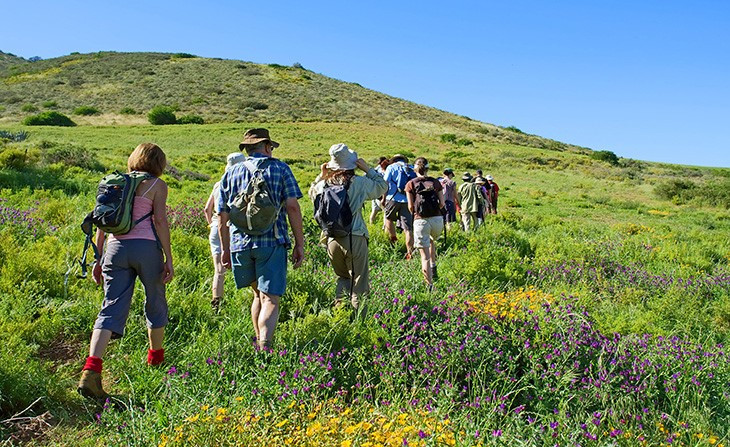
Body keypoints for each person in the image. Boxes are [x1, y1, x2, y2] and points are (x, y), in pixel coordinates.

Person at [78, 143, 174, 400]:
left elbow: (101, 221)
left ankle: (91, 370)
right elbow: (160, 221)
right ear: (159, 163)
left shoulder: (115, 183)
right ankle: (155, 361)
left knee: (111, 306)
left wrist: (98, 258)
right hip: (146, 249)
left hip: (115, 248)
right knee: (155, 300)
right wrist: (169, 257)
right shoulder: (157, 186)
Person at [217, 128, 304, 351]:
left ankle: (258, 343)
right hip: (272, 242)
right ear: (267, 147)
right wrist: (299, 243)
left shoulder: (231, 172)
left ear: (247, 148)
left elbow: (222, 215)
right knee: (271, 299)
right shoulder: (281, 169)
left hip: (239, 244)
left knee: (257, 294)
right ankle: (266, 349)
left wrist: (225, 250)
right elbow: (293, 207)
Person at [309, 144, 387, 311]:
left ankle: (340, 316)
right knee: (359, 283)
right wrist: (368, 169)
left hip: (330, 239)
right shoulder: (359, 183)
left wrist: (321, 176)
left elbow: (311, 194)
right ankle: (360, 323)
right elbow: (382, 187)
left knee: (342, 278)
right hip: (354, 236)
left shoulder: (323, 186)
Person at [204, 152, 245, 311]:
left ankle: (216, 304)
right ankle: (250, 301)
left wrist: (212, 225)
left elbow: (207, 209)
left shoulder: (218, 184)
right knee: (245, 266)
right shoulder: (241, 184)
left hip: (215, 227)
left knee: (219, 271)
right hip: (235, 229)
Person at [405, 157, 445, 289]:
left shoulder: (411, 183)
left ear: (415, 169)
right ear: (427, 168)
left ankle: (429, 285)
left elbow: (411, 207)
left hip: (420, 220)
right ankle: (434, 267)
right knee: (432, 240)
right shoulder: (435, 182)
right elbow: (442, 203)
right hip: (437, 220)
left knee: (424, 256)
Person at [383, 154, 416, 258]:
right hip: (408, 200)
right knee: (408, 228)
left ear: (394, 160)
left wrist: (383, 198)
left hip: (392, 198)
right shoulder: (411, 168)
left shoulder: (391, 167)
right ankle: (410, 252)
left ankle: (393, 239)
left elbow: (385, 183)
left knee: (388, 218)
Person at [369, 156, 389, 225]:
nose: (380, 165)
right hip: (380, 194)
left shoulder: (377, 169)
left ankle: (372, 224)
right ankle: (384, 227)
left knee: (375, 210)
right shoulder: (378, 169)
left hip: (377, 193)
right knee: (385, 212)